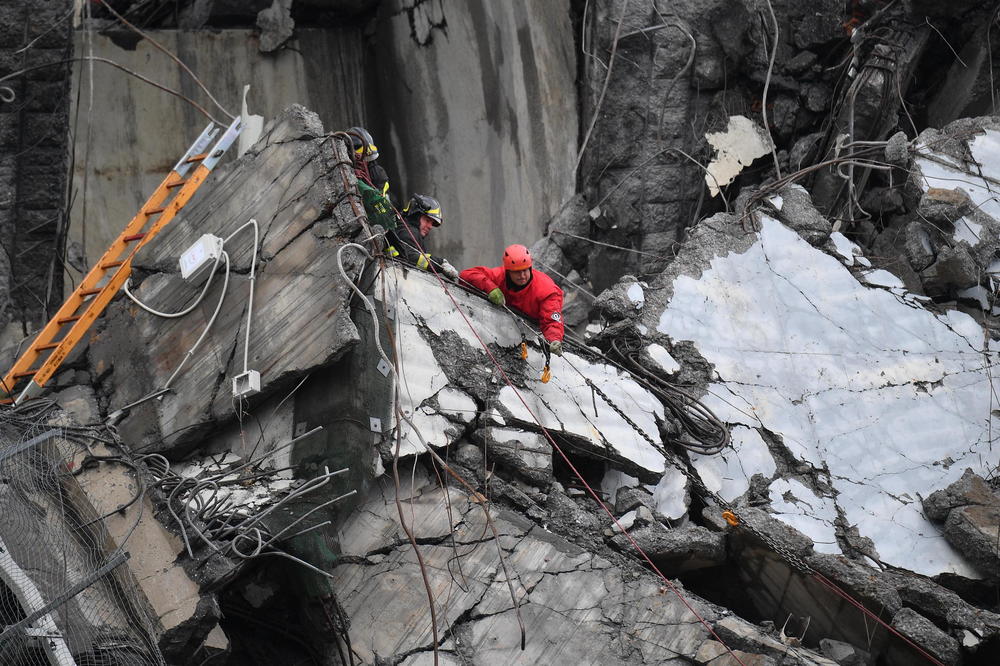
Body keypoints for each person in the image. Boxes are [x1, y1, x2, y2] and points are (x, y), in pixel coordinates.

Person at [459, 244, 565, 354]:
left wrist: (554, 340)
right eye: (517, 272)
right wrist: (490, 288)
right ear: (508, 271)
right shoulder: (499, 276)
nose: (522, 275)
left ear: (530, 268)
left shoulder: (546, 290)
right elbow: (466, 275)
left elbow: (551, 320)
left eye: (525, 270)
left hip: (531, 336)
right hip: (501, 330)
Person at [387, 194, 459, 280]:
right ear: (415, 216)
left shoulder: (412, 232)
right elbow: (410, 257)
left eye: (432, 223)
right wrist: (440, 264)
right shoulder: (407, 232)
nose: (430, 226)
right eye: (427, 220)